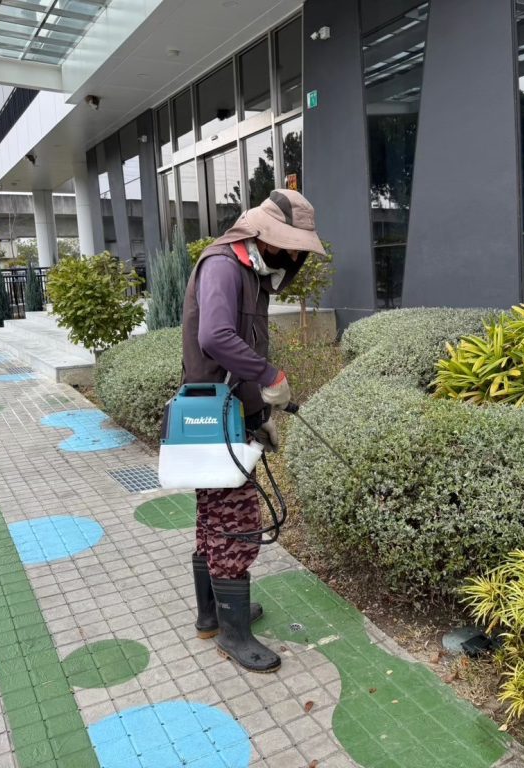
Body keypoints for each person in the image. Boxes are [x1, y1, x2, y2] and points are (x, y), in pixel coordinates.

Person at [181, 189, 325, 673]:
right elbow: (215, 337)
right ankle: (234, 634)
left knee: (213, 517)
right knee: (234, 521)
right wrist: (270, 376)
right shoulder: (224, 265)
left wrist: (260, 416)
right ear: (268, 236)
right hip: (215, 417)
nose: (295, 257)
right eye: (292, 247)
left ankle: (212, 615)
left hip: (231, 413)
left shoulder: (252, 272)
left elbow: (239, 348)